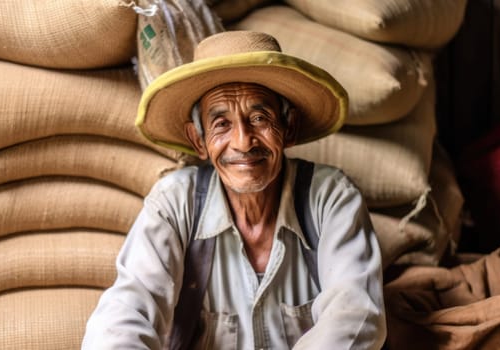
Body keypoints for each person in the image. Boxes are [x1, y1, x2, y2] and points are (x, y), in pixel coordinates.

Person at [82, 30, 386, 349]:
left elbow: (355, 315)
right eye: (221, 124)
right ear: (199, 141)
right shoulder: (175, 202)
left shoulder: (329, 197)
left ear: (289, 128)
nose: (243, 142)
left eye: (259, 118)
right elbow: (125, 312)